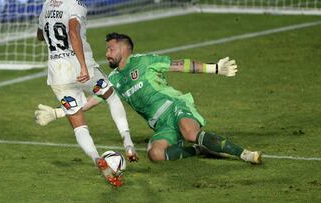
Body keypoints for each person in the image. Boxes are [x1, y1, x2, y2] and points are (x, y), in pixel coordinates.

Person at [37, 32, 262, 164]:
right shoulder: (114, 78)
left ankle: (244, 154)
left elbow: (180, 65)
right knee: (155, 154)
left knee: (190, 132)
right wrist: (58, 113)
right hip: (161, 125)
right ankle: (199, 149)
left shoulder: (145, 62)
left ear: (124, 49)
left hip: (174, 107)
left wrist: (214, 69)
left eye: (110, 49)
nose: (106, 54)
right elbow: (92, 101)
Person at [36, 1, 137, 187]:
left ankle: (96, 158)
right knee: (111, 97)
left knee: (79, 126)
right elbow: (73, 32)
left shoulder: (46, 5)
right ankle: (128, 142)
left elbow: (40, 35)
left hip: (58, 74)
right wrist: (83, 66)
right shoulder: (76, 4)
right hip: (80, 67)